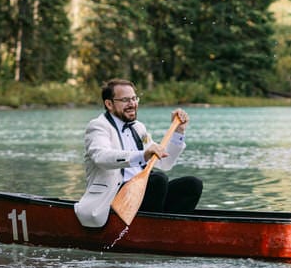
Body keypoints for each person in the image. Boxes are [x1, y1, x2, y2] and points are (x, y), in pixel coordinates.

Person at [74, 79, 203, 227]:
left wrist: (179, 131)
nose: (132, 104)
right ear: (109, 104)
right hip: (113, 197)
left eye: (134, 98)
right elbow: (101, 157)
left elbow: (164, 162)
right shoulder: (98, 126)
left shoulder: (138, 128)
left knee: (192, 184)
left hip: (144, 194)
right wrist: (142, 155)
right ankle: (153, 230)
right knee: (158, 180)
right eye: (125, 100)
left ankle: (172, 230)